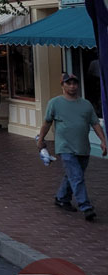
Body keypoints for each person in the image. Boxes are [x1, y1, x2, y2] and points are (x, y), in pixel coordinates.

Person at [36, 73, 108, 222]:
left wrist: (103, 140)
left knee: (73, 175)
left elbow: (95, 123)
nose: (72, 86)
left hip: (83, 147)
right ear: (62, 85)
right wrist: (41, 139)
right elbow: (47, 122)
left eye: (74, 83)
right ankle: (86, 207)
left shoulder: (86, 104)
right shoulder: (54, 103)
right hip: (65, 147)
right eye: (68, 83)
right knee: (77, 176)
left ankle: (62, 197)